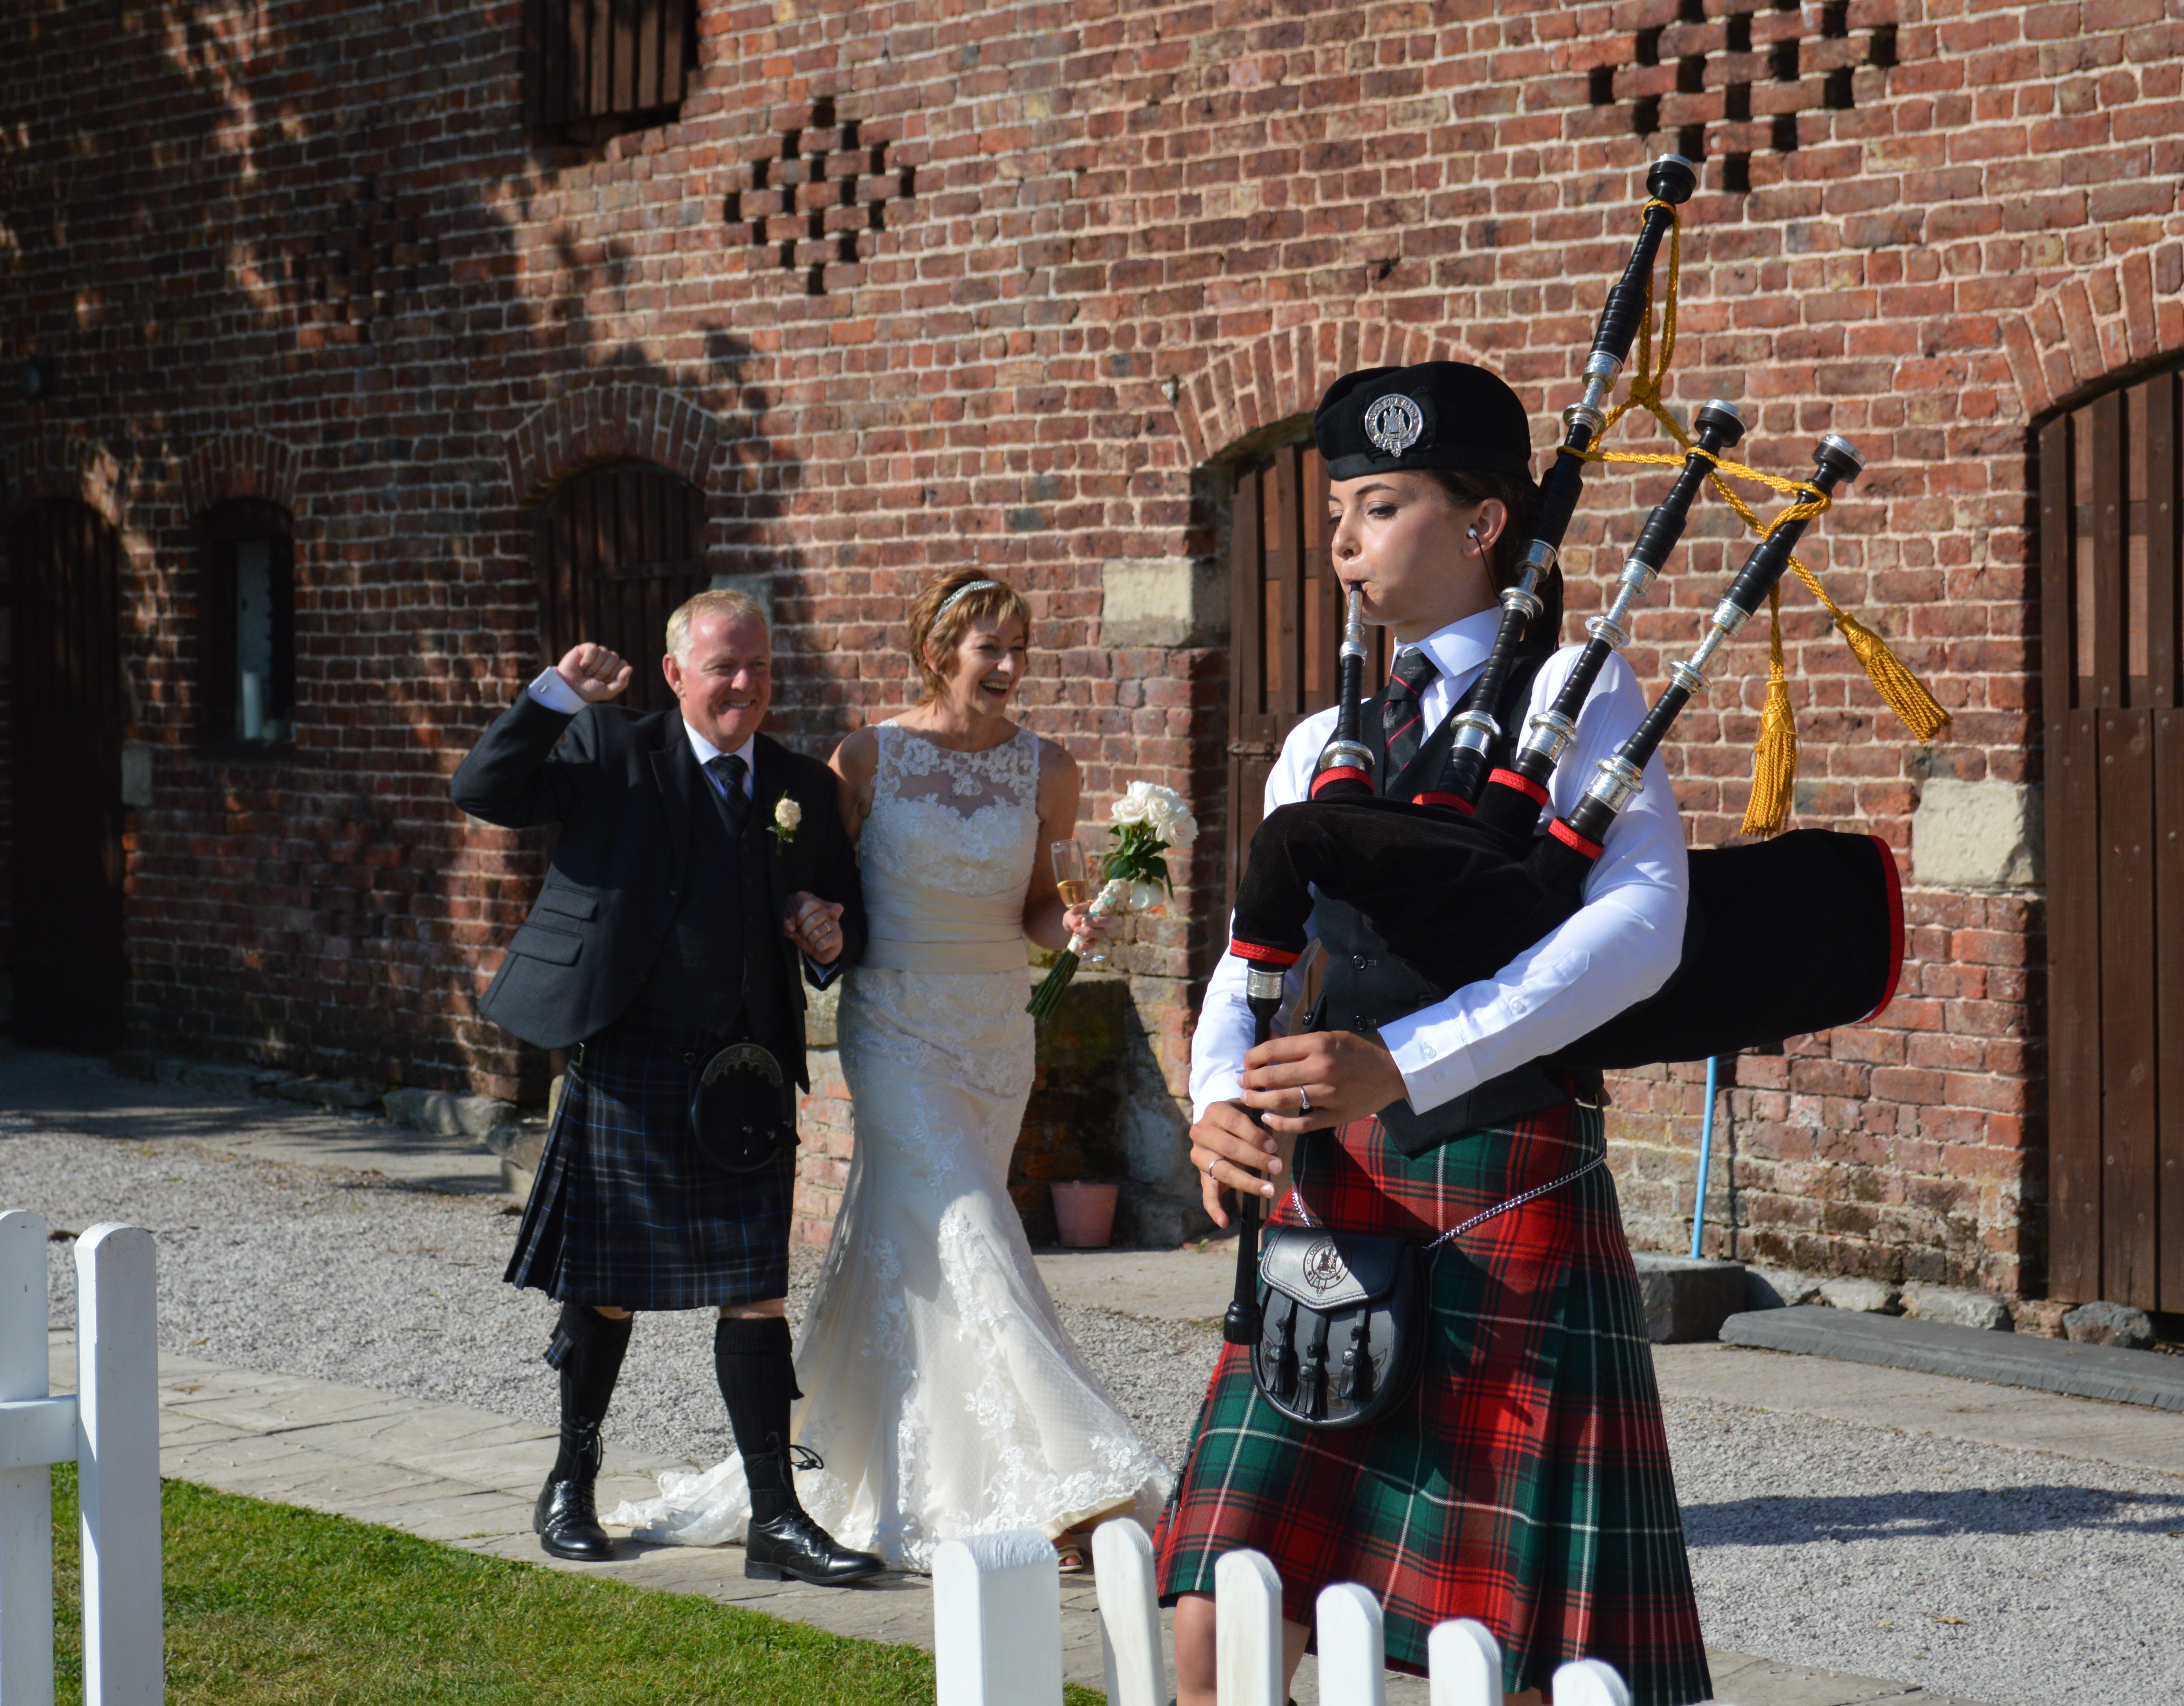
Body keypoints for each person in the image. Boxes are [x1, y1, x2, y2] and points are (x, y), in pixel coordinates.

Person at [1158, 363, 1714, 1706]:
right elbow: (1248, 965)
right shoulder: (1311, 746)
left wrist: (1412, 1056)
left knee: (1513, 1652)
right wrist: (1216, 1096)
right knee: (1214, 1608)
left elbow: (1644, 926)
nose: (1343, 540)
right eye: (1338, 508)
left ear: (1482, 526)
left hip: (1497, 1180)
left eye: (1381, 505)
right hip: (1326, 1207)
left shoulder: (1579, 698)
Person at [611, 569, 1175, 1569]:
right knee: (971, 1227)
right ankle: (1072, 1478)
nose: (1008, 666)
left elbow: (1039, 906)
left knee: (922, 1246)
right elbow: (822, 891)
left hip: (995, 1030)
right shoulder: (864, 758)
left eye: (1018, 647)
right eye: (988, 647)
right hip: (896, 1028)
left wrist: (1076, 925)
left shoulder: (1051, 769)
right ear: (938, 649)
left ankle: (932, 1465)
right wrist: (809, 918)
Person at [451, 588, 885, 1587]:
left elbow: (843, 911)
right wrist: (554, 694)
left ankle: (775, 1517)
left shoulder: (797, 785)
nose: (745, 684)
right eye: (724, 666)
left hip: (747, 1069)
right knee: (604, 1291)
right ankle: (571, 1480)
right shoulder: (611, 749)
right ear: (677, 673)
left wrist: (827, 928)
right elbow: (484, 786)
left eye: (760, 666)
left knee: (756, 1291)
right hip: (630, 1052)